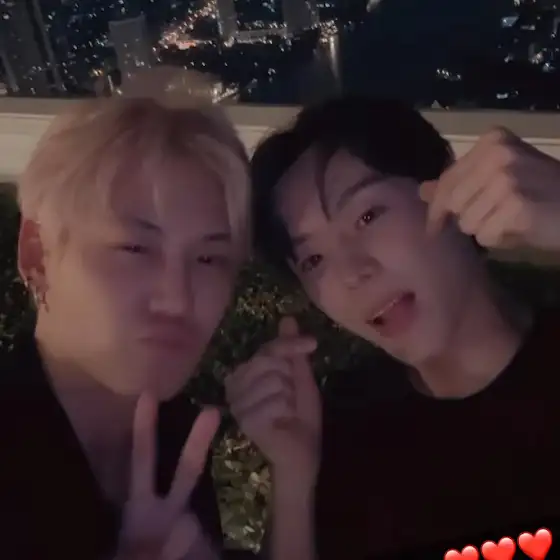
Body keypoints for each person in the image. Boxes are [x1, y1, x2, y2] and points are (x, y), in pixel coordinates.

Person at [227, 97, 560, 560]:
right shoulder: (346, 430)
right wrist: (294, 483)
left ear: (448, 189)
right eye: (313, 259)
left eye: (367, 216)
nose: (351, 272)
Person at [0, 93, 252, 560]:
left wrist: (295, 479)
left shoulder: (173, 441)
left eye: (209, 258)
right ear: (37, 253)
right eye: (135, 248)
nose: (177, 299)